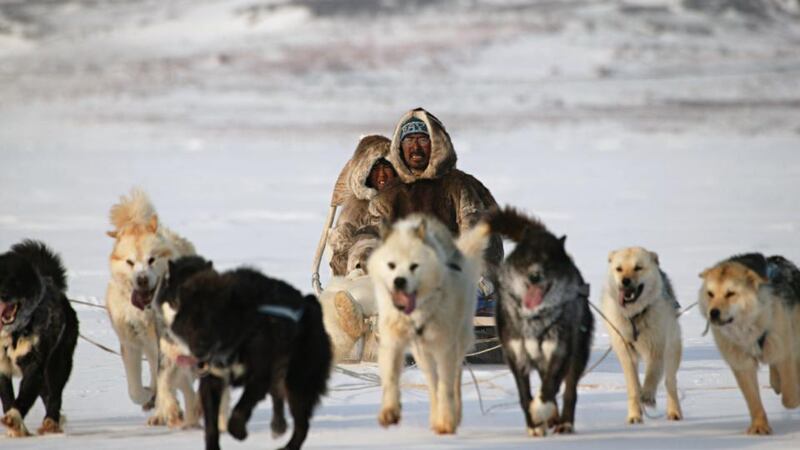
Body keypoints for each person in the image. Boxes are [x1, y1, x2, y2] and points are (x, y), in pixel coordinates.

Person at [372, 108, 503, 314]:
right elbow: (372, 238)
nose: (415, 147)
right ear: (399, 146)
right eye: (409, 140)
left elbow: (476, 233)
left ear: (436, 144)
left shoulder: (459, 186)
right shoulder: (388, 197)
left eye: (423, 139)